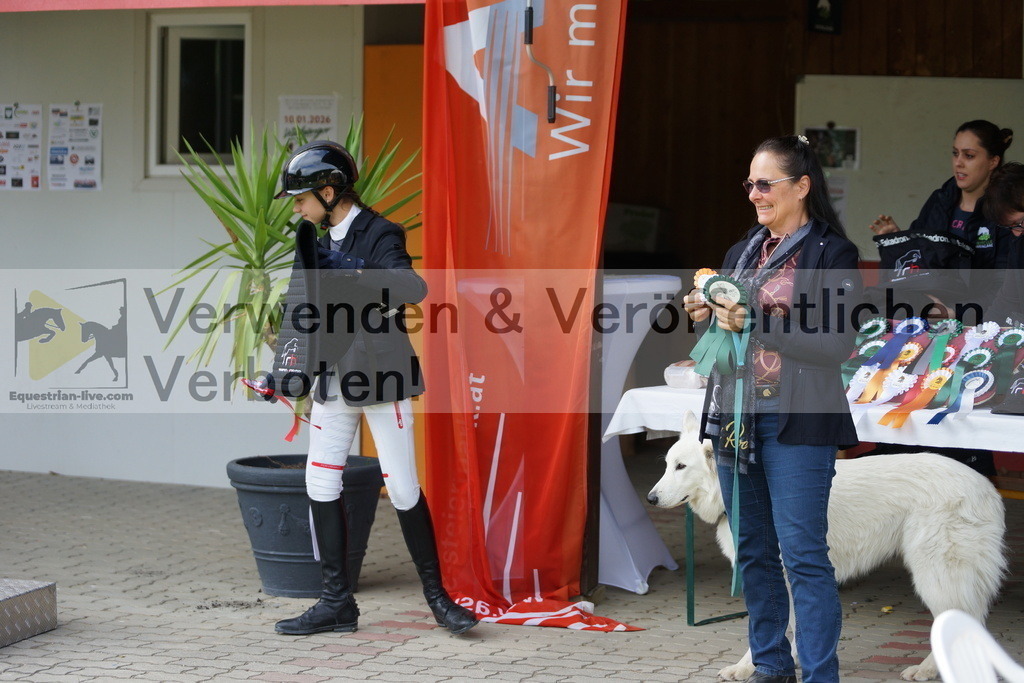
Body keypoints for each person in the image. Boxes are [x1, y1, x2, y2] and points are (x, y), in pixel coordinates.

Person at [268, 140, 478, 636]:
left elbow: (411, 289)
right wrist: (280, 374)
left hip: (381, 376)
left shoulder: (381, 231)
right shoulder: (311, 240)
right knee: (319, 484)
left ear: (328, 189)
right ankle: (336, 603)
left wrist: (350, 271)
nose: (296, 208)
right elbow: (299, 312)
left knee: (403, 486)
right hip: (332, 378)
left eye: (301, 198)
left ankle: (437, 598)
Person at [683, 135, 861, 683]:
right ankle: (769, 665)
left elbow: (836, 344)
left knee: (803, 557)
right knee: (754, 553)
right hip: (738, 417)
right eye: (750, 184)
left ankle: (820, 675)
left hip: (799, 422)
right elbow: (731, 322)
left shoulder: (833, 253)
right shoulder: (744, 250)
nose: (755, 194)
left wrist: (757, 324)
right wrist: (705, 309)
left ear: (802, 186)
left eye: (766, 184)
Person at [986, 162, 1024, 325]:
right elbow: (1007, 299)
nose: (1019, 231)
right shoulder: (1019, 244)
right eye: (1012, 227)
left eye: (1021, 221)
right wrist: (981, 336)